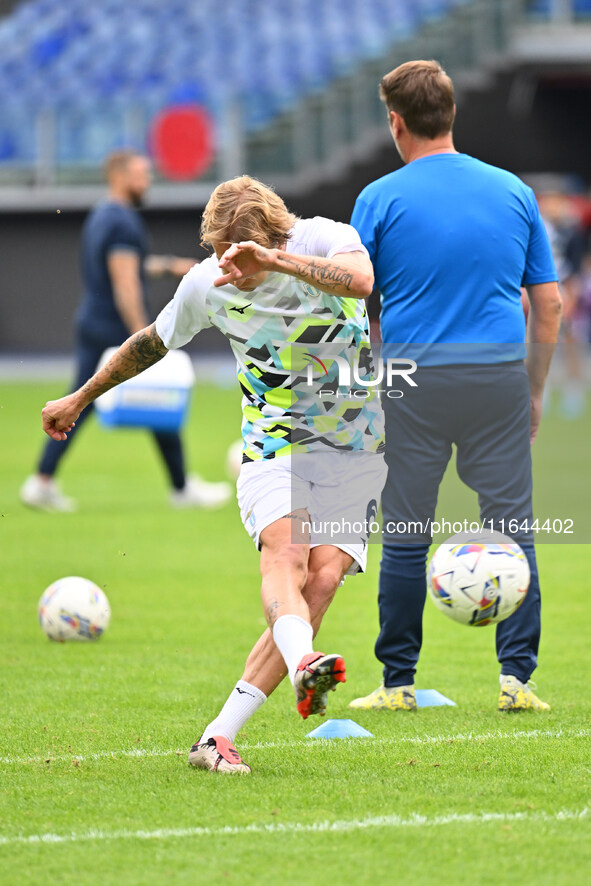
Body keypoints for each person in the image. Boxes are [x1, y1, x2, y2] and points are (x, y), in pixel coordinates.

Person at [40, 175, 387, 773]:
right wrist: (81, 397)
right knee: (286, 555)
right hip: (274, 445)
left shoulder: (323, 237)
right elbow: (149, 343)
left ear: (274, 235)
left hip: (353, 446)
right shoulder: (207, 283)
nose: (232, 270)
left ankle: (216, 738)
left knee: (324, 580)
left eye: (242, 257)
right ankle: (306, 662)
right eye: (220, 254)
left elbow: (361, 282)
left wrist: (275, 261)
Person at [348, 60, 562, 714]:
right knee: (512, 526)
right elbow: (547, 306)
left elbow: (351, 308)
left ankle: (397, 683)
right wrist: (529, 388)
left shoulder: (379, 199)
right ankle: (515, 681)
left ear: (395, 122)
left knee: (406, 532)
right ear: (450, 115)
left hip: (413, 382)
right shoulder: (512, 192)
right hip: (496, 377)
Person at [21, 149, 230, 512]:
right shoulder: (122, 222)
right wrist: (143, 337)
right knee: (130, 395)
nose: (147, 180)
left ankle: (43, 479)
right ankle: (181, 488)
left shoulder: (104, 214)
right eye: (140, 173)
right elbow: (125, 283)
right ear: (118, 176)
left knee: (88, 400)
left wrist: (168, 266)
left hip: (93, 320)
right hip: (113, 328)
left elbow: (130, 266)